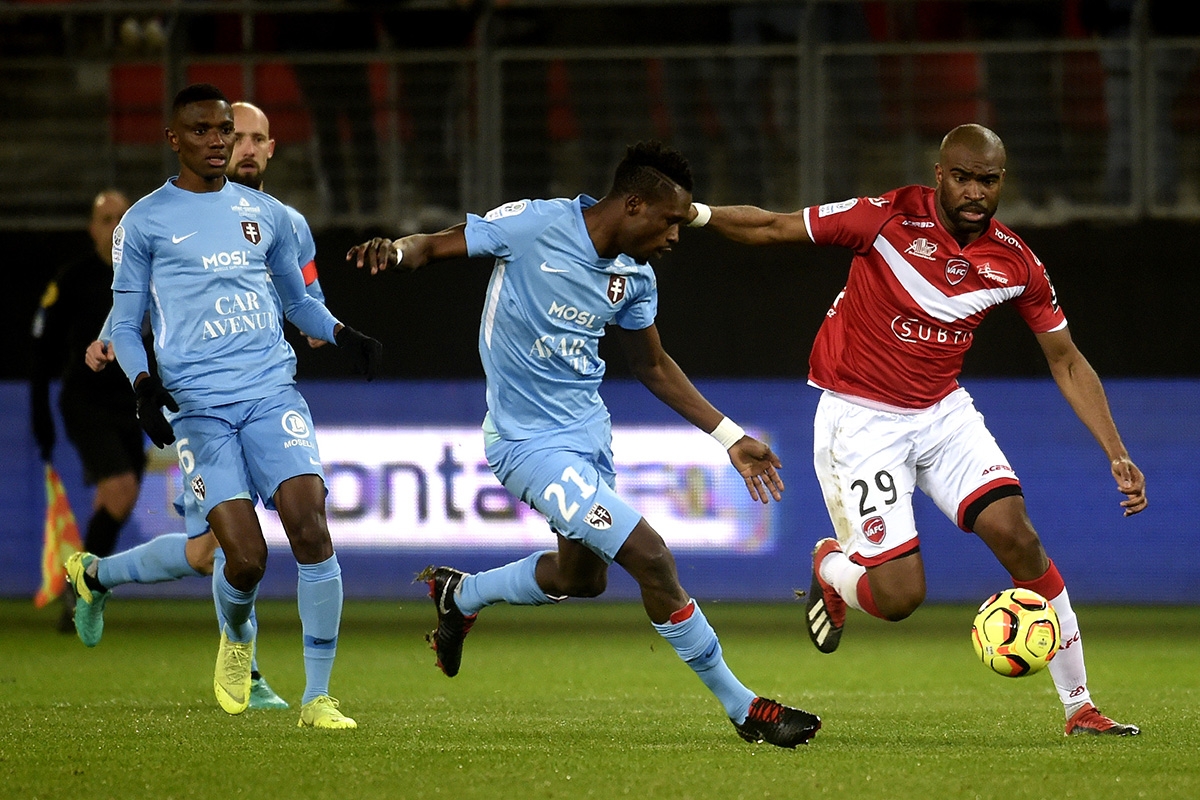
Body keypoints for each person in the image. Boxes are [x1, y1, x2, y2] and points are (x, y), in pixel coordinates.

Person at [347, 141, 821, 748]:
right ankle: (743, 707)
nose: (677, 236)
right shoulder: (537, 224)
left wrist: (728, 435)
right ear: (633, 204)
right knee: (651, 556)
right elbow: (438, 245)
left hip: (588, 441)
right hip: (525, 444)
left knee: (582, 579)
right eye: (671, 221)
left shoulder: (635, 276)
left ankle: (459, 594)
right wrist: (398, 249)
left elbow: (652, 365)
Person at [688, 123, 1146, 737]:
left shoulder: (1015, 262)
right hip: (860, 419)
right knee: (900, 597)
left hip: (941, 412)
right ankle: (831, 568)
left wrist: (1116, 451)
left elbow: (1065, 358)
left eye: (987, 180)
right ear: (940, 175)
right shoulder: (885, 219)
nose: (974, 191)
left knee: (1019, 537)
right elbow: (773, 225)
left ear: (1001, 182)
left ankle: (1080, 706)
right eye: (962, 177)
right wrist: (693, 213)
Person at [94, 82, 382, 729]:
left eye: (224, 129)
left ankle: (318, 698)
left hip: (270, 392)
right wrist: (142, 385)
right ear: (174, 139)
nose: (217, 141)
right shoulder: (143, 222)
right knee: (242, 558)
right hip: (199, 409)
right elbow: (125, 323)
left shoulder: (269, 215)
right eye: (201, 130)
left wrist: (342, 333)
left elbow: (299, 303)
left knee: (310, 526)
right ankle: (237, 638)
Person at [30, 189, 143, 634]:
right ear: (92, 229)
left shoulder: (145, 276)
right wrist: (39, 412)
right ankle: (84, 591)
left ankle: (80, 594)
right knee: (120, 488)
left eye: (122, 218)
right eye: (106, 218)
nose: (114, 227)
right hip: (86, 402)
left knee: (116, 497)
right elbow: (43, 352)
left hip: (130, 403)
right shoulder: (74, 279)